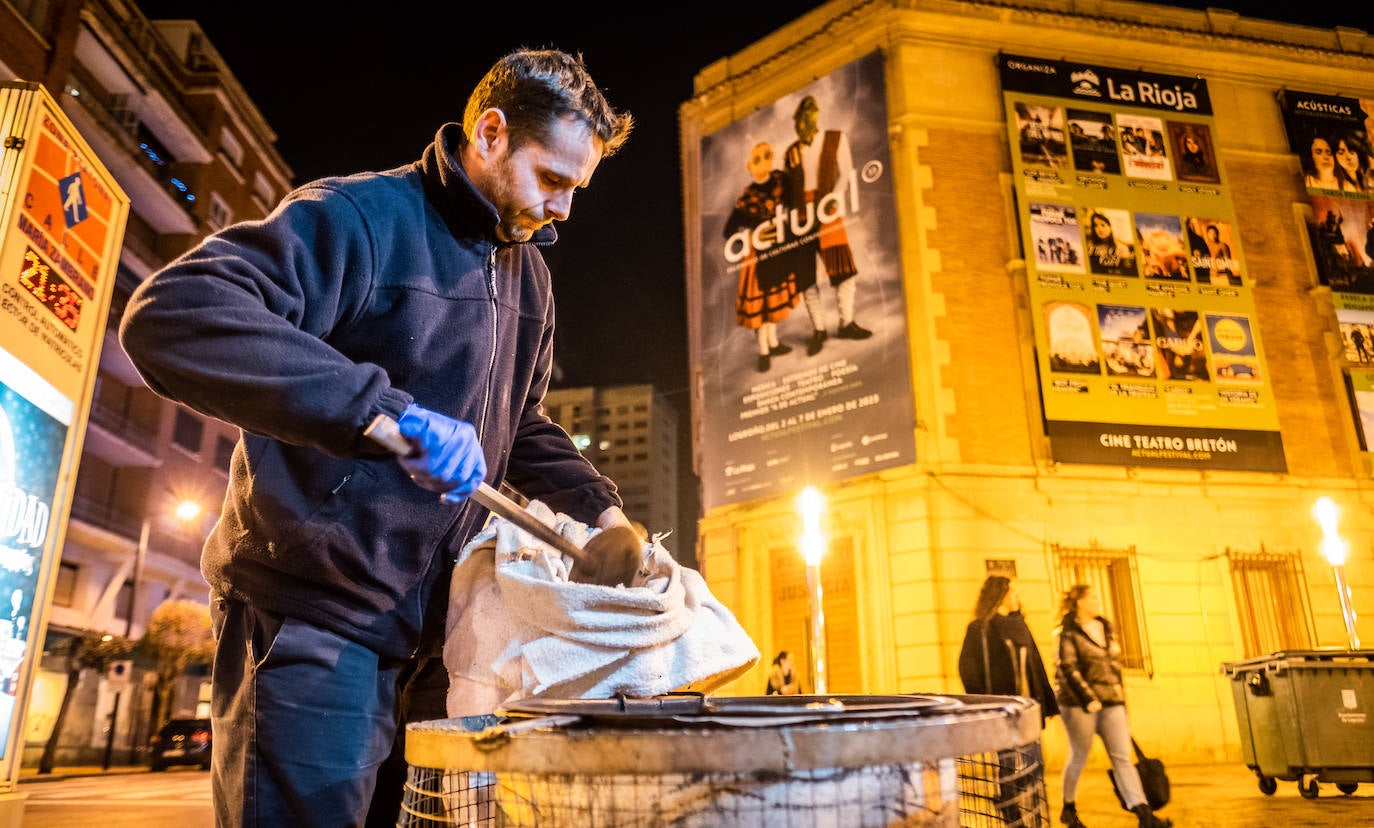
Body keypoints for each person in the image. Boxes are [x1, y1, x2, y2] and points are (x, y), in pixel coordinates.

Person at [118, 48, 643, 828]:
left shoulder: (528, 275)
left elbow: (519, 423)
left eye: (577, 188)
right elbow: (173, 314)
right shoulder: (360, 218)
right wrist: (387, 414)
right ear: (490, 133)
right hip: (314, 617)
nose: (564, 209)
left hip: (433, 643)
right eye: (554, 179)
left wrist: (603, 513)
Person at [1054, 585, 1172, 828]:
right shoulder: (1067, 632)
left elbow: (1114, 668)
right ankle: (1068, 807)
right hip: (1078, 704)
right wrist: (1088, 698)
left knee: (1122, 758)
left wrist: (1121, 702)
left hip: (1112, 702)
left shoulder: (1106, 628)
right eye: (1093, 597)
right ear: (1079, 602)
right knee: (1079, 756)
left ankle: (1144, 814)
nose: (1098, 601)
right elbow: (1068, 668)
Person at [958, 575, 1060, 826]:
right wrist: (984, 703)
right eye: (1013, 591)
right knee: (1008, 763)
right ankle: (1013, 813)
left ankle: (1030, 811)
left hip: (1028, 708)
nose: (1018, 596)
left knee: (1033, 765)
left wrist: (1047, 702)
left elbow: (1036, 665)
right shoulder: (980, 628)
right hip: (1003, 710)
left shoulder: (1021, 625)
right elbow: (967, 668)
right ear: (1000, 594)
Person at [784, 95, 872, 356]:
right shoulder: (791, 152)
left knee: (843, 267)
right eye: (800, 117)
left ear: (816, 114)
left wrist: (833, 199)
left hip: (827, 208)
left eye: (808, 115)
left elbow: (845, 173)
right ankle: (818, 329)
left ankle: (846, 322)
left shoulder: (835, 138)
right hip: (800, 216)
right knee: (806, 275)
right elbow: (789, 188)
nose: (804, 122)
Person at [724, 141, 801, 372]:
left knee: (773, 301)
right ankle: (764, 350)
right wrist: (750, 235)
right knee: (764, 306)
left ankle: (773, 343)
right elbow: (728, 231)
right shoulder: (748, 197)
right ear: (749, 166)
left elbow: (794, 199)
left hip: (778, 250)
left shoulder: (780, 181)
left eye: (767, 155)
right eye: (758, 159)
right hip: (758, 258)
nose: (764, 161)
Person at [1083, 210, 1135, 276]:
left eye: (1103, 225)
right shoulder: (1091, 247)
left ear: (1110, 227)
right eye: (1095, 226)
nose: (1099, 229)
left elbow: (1128, 272)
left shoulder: (1121, 248)